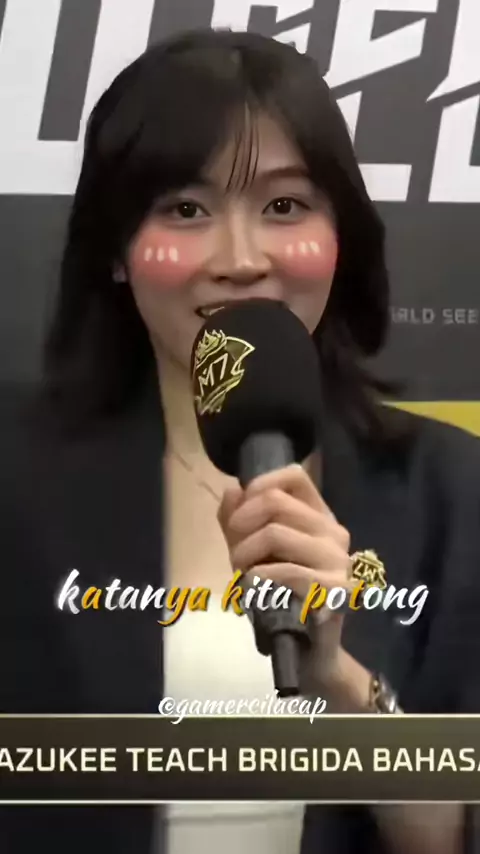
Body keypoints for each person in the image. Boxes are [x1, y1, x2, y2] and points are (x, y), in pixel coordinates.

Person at [1, 27, 479, 854]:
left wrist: (338, 681)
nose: (240, 258)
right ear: (117, 249)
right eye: (185, 210)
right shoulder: (16, 471)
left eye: (284, 207)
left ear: (341, 235)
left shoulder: (449, 486)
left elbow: (449, 834)